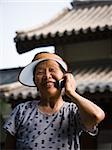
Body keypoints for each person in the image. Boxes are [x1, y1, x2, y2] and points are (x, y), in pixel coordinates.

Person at [3, 52, 105, 150]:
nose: (47, 76)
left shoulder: (73, 111)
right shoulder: (22, 110)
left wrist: (71, 93)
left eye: (52, 70)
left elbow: (96, 116)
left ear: (64, 78)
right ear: (34, 80)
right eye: (40, 72)